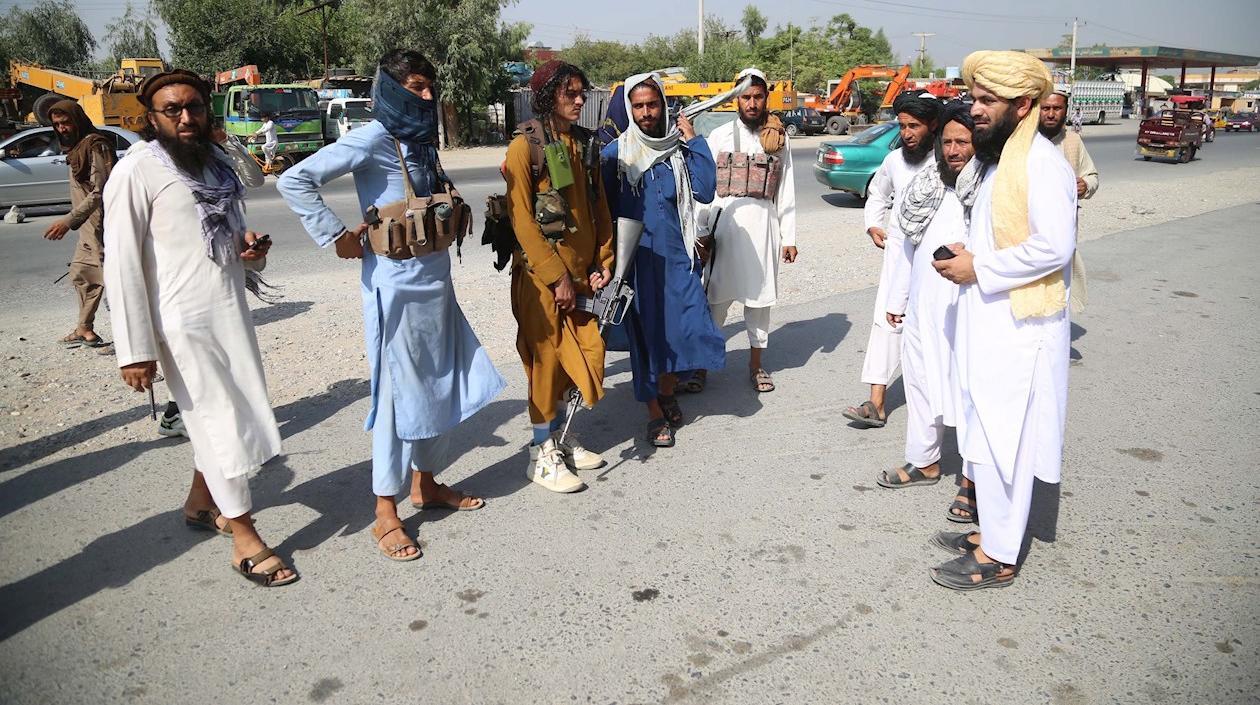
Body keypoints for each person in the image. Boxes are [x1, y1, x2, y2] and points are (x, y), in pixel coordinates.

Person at [277, 49, 505, 561]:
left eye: (430, 88)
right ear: (394, 88)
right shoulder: (373, 137)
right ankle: (385, 512)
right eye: (417, 88)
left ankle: (426, 484)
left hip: (435, 283)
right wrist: (334, 233)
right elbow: (295, 180)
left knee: (440, 384)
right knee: (398, 397)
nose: (426, 97)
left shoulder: (421, 142)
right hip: (394, 289)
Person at [103, 69, 295, 587]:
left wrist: (248, 252)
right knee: (218, 419)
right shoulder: (135, 171)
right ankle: (244, 536)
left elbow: (224, 237)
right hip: (180, 320)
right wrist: (133, 349)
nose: (186, 117)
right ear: (151, 117)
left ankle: (198, 502)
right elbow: (120, 262)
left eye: (194, 107)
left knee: (227, 410)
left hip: (228, 309)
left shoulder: (213, 163)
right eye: (173, 109)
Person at [929, 51, 1076, 591]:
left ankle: (1000, 555)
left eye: (988, 100)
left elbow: (1055, 246)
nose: (976, 109)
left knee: (1005, 438)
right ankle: (993, 530)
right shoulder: (1003, 161)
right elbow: (1009, 236)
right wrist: (971, 252)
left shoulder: (1040, 163)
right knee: (986, 432)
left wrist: (980, 266)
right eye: (975, 98)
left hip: (1019, 329)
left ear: (1025, 105)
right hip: (991, 320)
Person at [503, 60, 613, 493]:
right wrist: (556, 277)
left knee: (580, 357)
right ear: (548, 95)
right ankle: (540, 452)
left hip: (584, 276)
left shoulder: (585, 144)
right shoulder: (523, 147)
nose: (580, 99)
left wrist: (603, 261)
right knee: (545, 361)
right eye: (570, 92)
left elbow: (598, 207)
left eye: (582, 92)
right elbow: (522, 221)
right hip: (542, 280)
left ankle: (562, 440)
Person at [600, 72, 722, 447]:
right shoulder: (615, 155)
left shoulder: (678, 152)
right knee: (647, 338)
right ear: (629, 109)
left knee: (681, 330)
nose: (647, 112)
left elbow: (704, 190)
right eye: (638, 106)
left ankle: (668, 391)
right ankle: (654, 410)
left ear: (663, 105)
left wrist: (694, 140)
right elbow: (601, 212)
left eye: (652, 104)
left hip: (676, 259)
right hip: (636, 264)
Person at [877, 101, 975, 513]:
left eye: (963, 142)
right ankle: (924, 461)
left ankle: (973, 482)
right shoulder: (926, 184)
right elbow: (903, 242)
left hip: (968, 309)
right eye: (948, 141)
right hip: (921, 303)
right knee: (918, 382)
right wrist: (898, 299)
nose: (953, 150)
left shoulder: (987, 187)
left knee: (969, 393)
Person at [690, 67, 797, 395]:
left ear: (766, 98)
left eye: (758, 97)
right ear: (736, 99)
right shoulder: (718, 137)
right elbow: (704, 189)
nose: (752, 103)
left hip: (763, 227)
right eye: (746, 97)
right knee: (715, 301)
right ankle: (702, 365)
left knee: (759, 299)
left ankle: (756, 365)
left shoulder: (777, 138)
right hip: (726, 228)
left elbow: (787, 187)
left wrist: (789, 237)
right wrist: (700, 231)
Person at [842, 92, 941, 428]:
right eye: (902, 126)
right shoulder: (894, 161)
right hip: (898, 255)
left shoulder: (948, 161)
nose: (907, 133)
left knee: (931, 328)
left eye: (914, 125)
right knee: (887, 323)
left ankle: (935, 410)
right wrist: (873, 224)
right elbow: (878, 195)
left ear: (933, 125)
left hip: (936, 259)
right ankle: (876, 403)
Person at [42, 100, 117, 348]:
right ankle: (85, 329)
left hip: (101, 223)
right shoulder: (78, 147)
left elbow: (100, 190)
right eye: (57, 124)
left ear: (77, 119)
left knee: (115, 281)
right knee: (82, 274)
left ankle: (132, 341)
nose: (62, 128)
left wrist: (68, 220)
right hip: (87, 226)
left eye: (66, 122)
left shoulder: (96, 144)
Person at [1039, 89, 1097, 313]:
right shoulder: (1023, 141)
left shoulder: (1073, 141)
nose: (1051, 114)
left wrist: (1086, 185)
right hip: (1030, 231)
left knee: (1060, 291)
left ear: (1066, 111)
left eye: (1057, 108)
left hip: (1063, 231)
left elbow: (1092, 176)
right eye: (1046, 108)